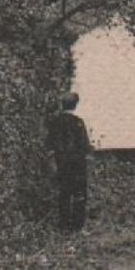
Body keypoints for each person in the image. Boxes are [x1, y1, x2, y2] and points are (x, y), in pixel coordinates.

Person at [46, 92, 91, 230]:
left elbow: (49, 144)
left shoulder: (55, 122)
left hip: (62, 163)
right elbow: (84, 145)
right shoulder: (78, 122)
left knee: (64, 193)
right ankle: (77, 226)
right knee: (79, 194)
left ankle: (63, 224)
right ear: (75, 105)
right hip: (77, 164)